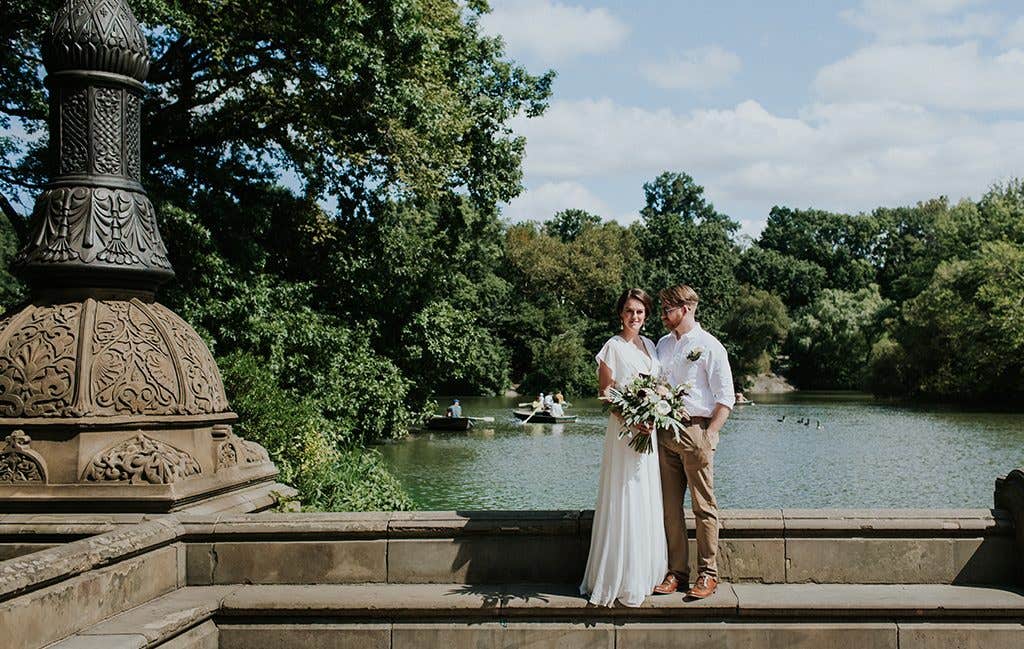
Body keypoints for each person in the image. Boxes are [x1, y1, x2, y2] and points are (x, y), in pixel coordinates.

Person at [580, 288, 668, 607]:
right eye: (630, 311)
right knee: (625, 496)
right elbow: (606, 394)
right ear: (621, 313)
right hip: (624, 434)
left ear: (646, 315)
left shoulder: (652, 346)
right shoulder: (612, 348)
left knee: (645, 495)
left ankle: (644, 574)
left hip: (649, 433)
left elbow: (660, 387)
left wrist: (657, 412)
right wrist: (633, 420)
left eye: (641, 312)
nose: (635, 317)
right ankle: (618, 575)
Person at [654, 284, 734, 600]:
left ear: (686, 309)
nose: (662, 315)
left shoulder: (710, 346)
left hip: (695, 433)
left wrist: (709, 437)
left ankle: (708, 574)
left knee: (704, 507)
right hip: (664, 435)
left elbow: (725, 398)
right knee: (670, 509)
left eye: (667, 310)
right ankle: (677, 572)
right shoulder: (661, 344)